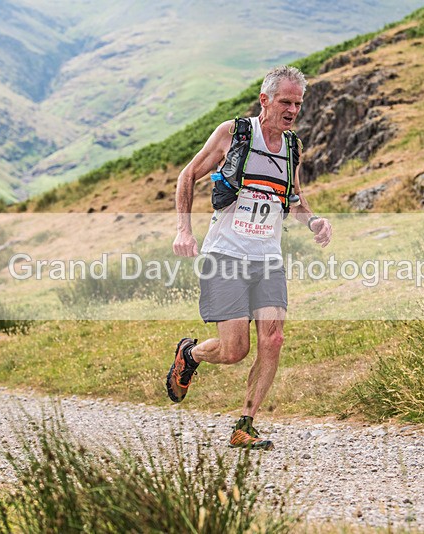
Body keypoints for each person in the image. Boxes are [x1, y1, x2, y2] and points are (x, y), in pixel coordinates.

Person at [167, 65, 332, 450]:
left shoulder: (293, 146)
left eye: (298, 103)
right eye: (285, 102)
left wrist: (315, 221)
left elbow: (292, 196)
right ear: (265, 100)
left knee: (273, 339)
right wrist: (183, 229)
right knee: (234, 350)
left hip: (268, 258)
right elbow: (188, 175)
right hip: (225, 255)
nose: (292, 110)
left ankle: (245, 424)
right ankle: (189, 354)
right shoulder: (234, 134)